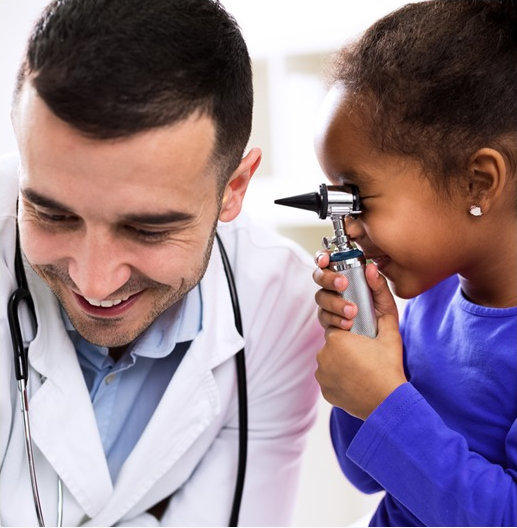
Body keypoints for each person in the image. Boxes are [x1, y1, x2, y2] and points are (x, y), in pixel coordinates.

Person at [0, 0, 322, 525]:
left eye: (147, 229)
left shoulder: (277, 303)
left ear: (233, 189)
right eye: (52, 215)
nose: (94, 280)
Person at [311, 0, 517, 526]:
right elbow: (367, 475)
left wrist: (384, 402)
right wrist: (366, 355)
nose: (348, 225)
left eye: (358, 196)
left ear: (479, 182)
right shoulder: (429, 302)